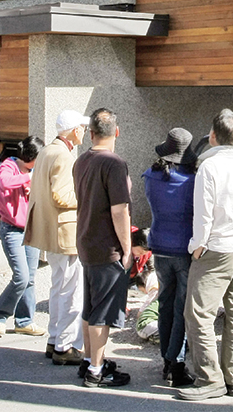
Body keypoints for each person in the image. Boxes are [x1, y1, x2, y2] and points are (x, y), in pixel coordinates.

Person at [178, 109, 233, 401]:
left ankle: (210, 378)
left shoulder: (209, 168)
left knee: (198, 313)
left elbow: (203, 213)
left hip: (218, 246)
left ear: (213, 136)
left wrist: (197, 246)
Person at [72, 108, 134, 388]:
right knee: (102, 311)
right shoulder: (115, 164)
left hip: (85, 238)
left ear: (91, 133)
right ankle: (96, 370)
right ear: (117, 132)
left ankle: (89, 360)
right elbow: (120, 210)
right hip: (107, 244)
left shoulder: (81, 161)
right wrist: (128, 248)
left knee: (90, 306)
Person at [25, 109, 90, 364]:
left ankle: (55, 341)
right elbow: (62, 196)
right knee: (71, 293)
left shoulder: (47, 151)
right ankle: (64, 345)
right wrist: (88, 198)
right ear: (74, 130)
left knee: (58, 288)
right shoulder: (64, 156)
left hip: (51, 231)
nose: (84, 131)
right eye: (82, 128)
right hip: (66, 233)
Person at [143, 128, 197, 388]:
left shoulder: (151, 176)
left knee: (165, 304)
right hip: (185, 248)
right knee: (181, 308)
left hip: (159, 245)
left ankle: (167, 360)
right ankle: (176, 363)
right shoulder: (193, 180)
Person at [0, 135, 46, 338]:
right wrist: (28, 179)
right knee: (21, 276)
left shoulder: (33, 172)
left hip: (31, 228)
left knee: (30, 277)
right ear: (31, 157)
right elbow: (5, 183)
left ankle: (24, 321)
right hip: (12, 229)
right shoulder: (9, 165)